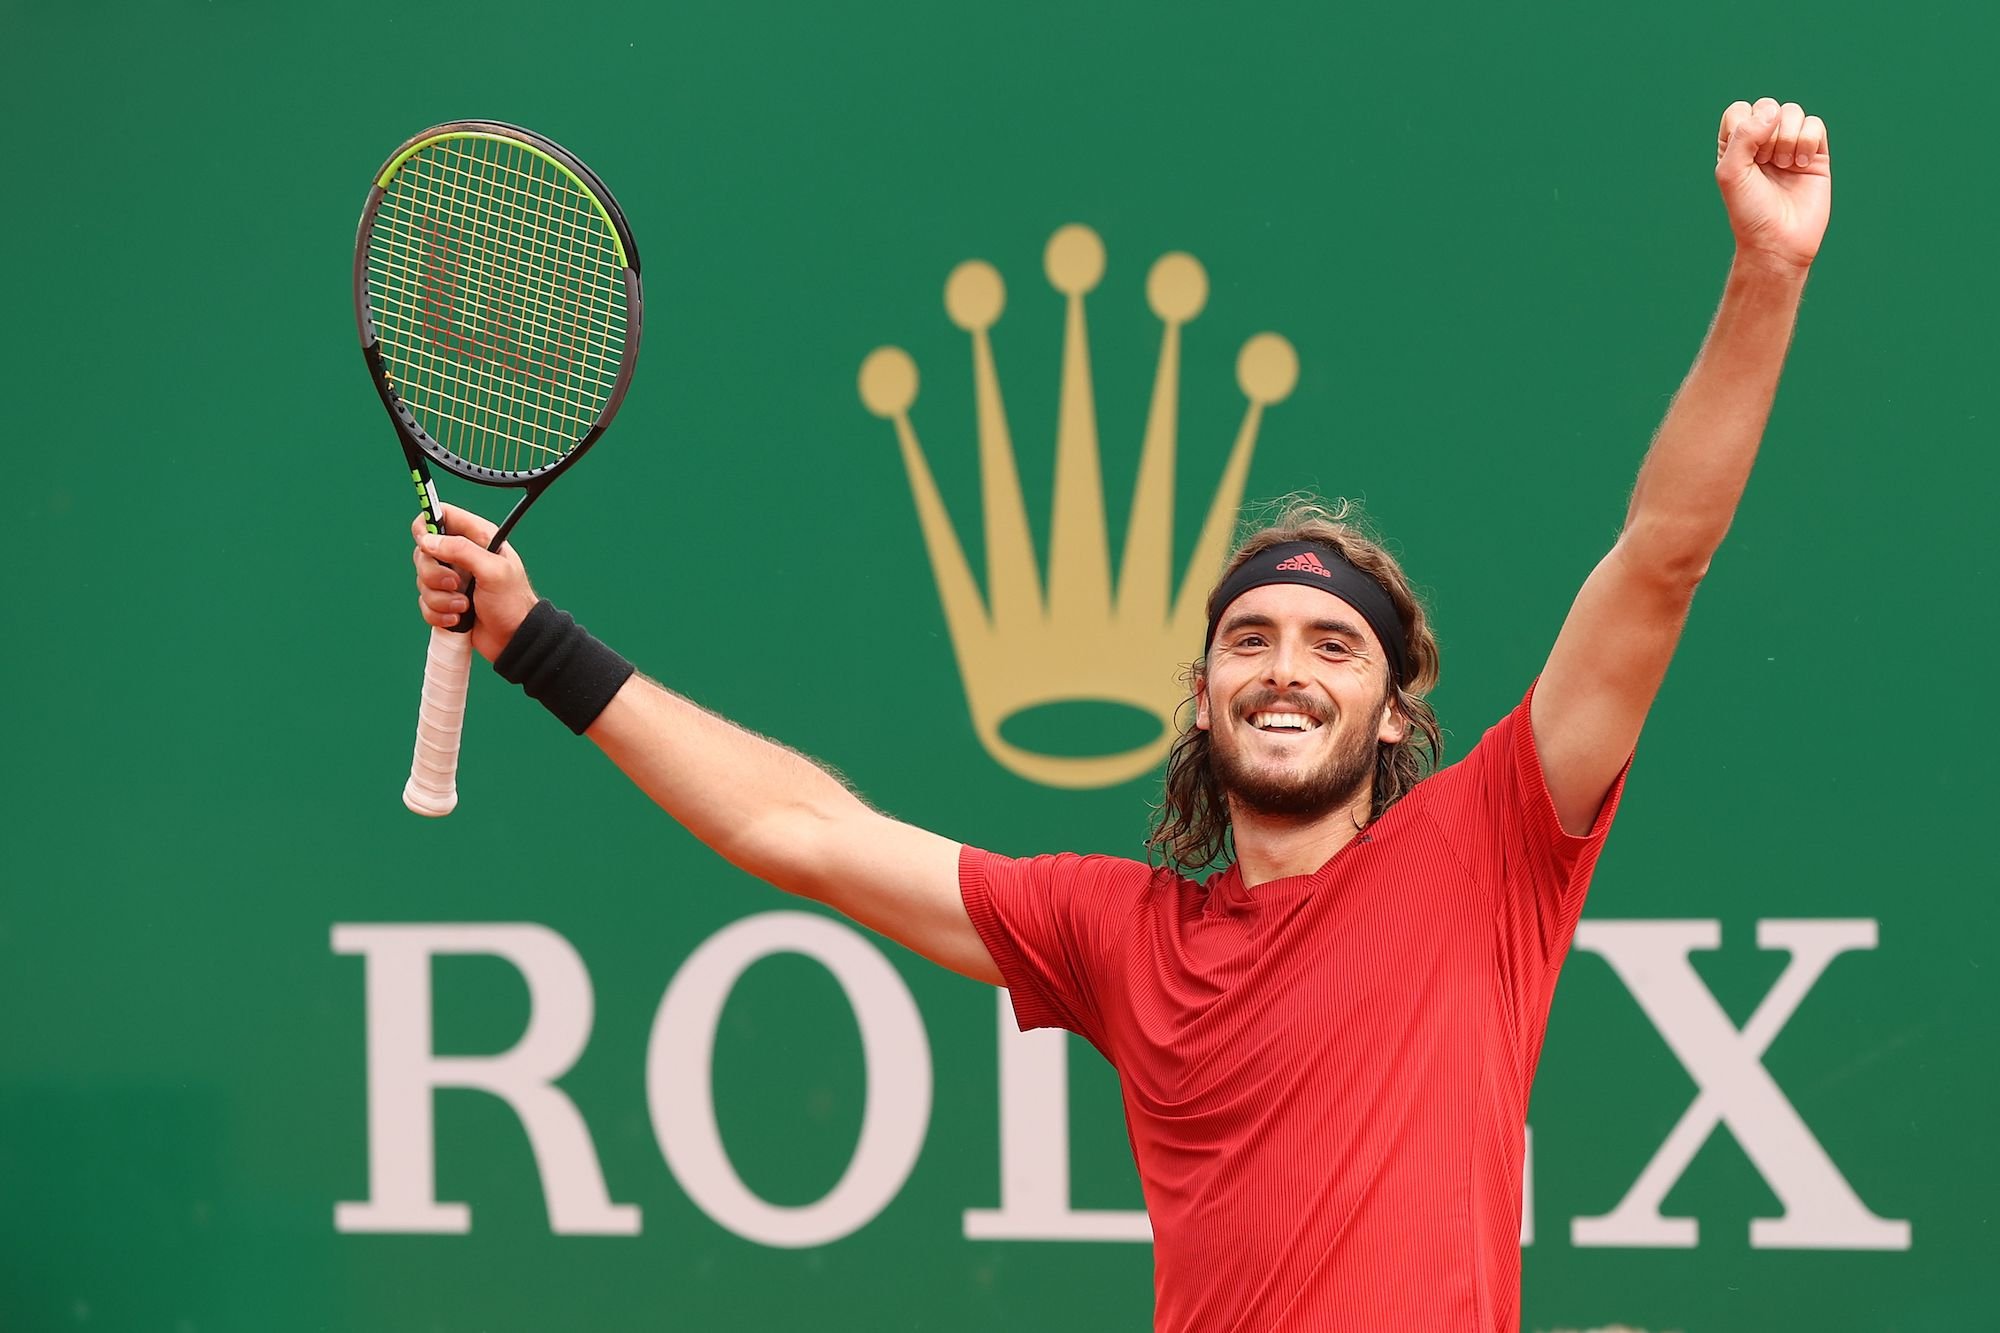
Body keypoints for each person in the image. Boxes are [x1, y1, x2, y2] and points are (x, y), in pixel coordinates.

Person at [409, 98, 1830, 1332]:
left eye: (1337, 646)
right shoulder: (1118, 932)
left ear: (1394, 715)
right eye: (1251, 638)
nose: (1287, 666)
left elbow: (1661, 554)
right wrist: (535, 639)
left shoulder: (1493, 852)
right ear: (1201, 700)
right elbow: (806, 829)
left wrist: (1766, 272)